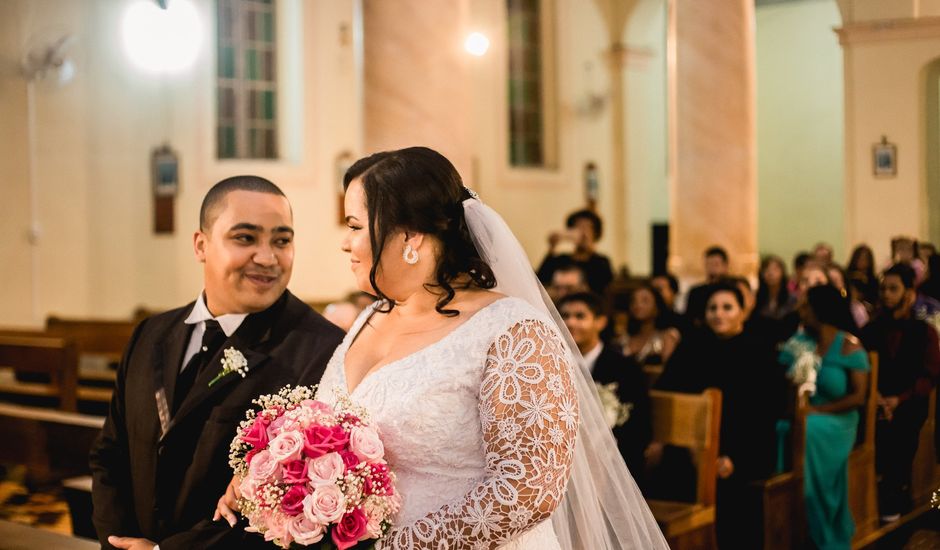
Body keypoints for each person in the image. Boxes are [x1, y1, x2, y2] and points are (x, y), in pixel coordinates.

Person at [217, 147, 667, 548]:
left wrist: (396, 546)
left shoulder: (513, 333)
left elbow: (528, 489)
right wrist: (270, 476)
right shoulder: (370, 318)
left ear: (410, 238)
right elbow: (331, 432)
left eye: (355, 225)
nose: (346, 242)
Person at [90, 176, 345, 550]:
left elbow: (294, 501)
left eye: (282, 240)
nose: (267, 257)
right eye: (245, 238)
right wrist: (118, 542)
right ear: (201, 245)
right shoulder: (150, 335)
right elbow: (111, 453)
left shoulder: (320, 351)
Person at [654, 283, 783, 548]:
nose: (718, 314)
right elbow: (667, 392)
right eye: (713, 308)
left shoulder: (759, 350)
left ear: (742, 312)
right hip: (689, 445)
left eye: (727, 307)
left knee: (729, 490)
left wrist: (733, 457)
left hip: (744, 449)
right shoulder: (693, 346)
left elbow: (765, 412)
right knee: (667, 474)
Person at [779, 285, 870, 550]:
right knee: (782, 428)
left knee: (808, 428)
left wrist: (817, 411)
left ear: (820, 310)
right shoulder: (800, 343)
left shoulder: (849, 346)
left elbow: (858, 396)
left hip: (838, 419)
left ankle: (819, 513)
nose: (801, 310)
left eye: (806, 305)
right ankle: (789, 511)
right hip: (805, 414)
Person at [862, 264, 940, 522]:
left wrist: (899, 399)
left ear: (909, 293)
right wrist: (878, 397)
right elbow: (863, 369)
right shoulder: (871, 330)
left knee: (901, 431)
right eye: (883, 288)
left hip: (910, 402)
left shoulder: (924, 331)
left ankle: (898, 501)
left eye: (893, 289)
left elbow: (929, 375)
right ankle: (872, 504)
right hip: (876, 400)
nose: (886, 295)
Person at [558, 292, 651, 478]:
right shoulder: (553, 363)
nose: (570, 323)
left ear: (600, 322)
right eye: (565, 316)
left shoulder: (625, 368)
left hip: (613, 464)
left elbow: (639, 427)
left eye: (580, 316)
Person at [537, 209, 614, 295]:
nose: (583, 232)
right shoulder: (562, 259)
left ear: (595, 233)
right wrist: (552, 246)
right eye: (578, 227)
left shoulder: (601, 262)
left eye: (587, 227)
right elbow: (541, 279)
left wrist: (589, 246)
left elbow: (602, 286)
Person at [616, 283, 680, 366]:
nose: (638, 305)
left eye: (645, 301)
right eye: (633, 301)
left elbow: (669, 371)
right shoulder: (624, 339)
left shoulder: (667, 336)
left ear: (657, 307)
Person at [684, 245, 731, 325]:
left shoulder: (732, 291)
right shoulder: (696, 292)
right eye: (709, 264)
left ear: (725, 266)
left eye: (716, 264)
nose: (712, 268)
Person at [755, 255, 796, 321]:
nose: (771, 273)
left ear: (782, 273)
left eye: (775, 269)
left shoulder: (792, 298)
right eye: (767, 269)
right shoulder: (756, 298)